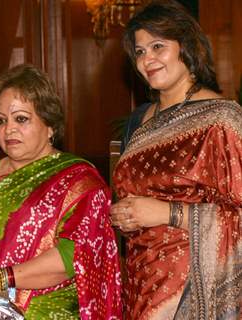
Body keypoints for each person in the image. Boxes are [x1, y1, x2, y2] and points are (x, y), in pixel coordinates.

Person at [0, 64, 122, 319]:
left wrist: (0, 278)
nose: (9, 129)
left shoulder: (79, 181)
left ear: (50, 125)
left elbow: (73, 256)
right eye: (1, 120)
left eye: (21, 118)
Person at [111, 1, 242, 319]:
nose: (147, 59)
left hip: (192, 290)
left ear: (186, 46)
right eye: (140, 52)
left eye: (158, 46)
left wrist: (168, 213)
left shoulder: (221, 119)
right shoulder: (139, 121)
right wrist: (125, 216)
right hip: (141, 282)